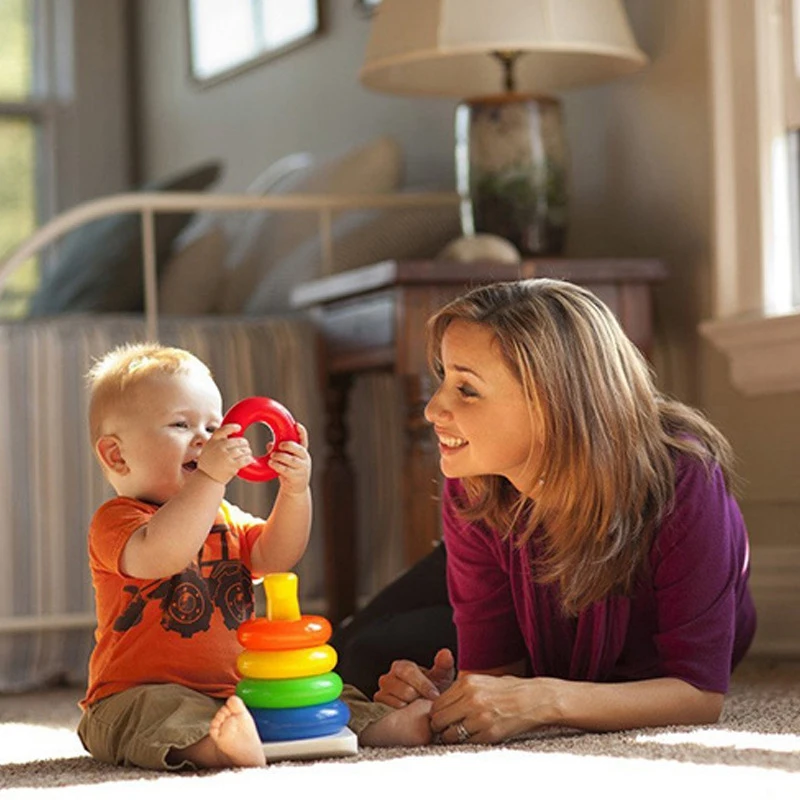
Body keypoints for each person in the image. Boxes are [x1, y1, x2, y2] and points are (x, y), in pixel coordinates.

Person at [366, 278, 756, 746]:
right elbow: (494, 674)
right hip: (517, 564)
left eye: (466, 389)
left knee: (374, 647)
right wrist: (454, 698)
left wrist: (546, 700)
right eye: (442, 379)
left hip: (592, 603)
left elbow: (698, 694)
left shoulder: (683, 481)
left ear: (553, 405)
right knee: (362, 653)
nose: (432, 409)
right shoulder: (476, 486)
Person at [77, 343, 423, 772]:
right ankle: (215, 748)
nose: (205, 438)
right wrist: (209, 478)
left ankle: (384, 724)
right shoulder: (117, 521)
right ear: (117, 455)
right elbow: (164, 554)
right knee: (158, 714)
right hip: (136, 693)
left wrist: (294, 491)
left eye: (213, 426)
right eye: (181, 425)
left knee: (320, 693)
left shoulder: (226, 517)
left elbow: (277, 556)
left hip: (236, 690)